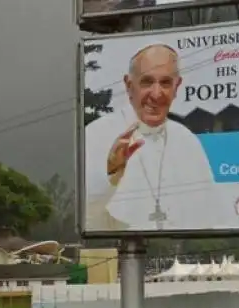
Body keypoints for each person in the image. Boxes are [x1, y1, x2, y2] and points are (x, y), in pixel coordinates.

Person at [84, 43, 216, 232]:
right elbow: (80, 216)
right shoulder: (96, 135)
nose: (156, 94)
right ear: (129, 86)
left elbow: (208, 217)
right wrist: (110, 175)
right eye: (147, 82)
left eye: (165, 83)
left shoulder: (189, 141)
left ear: (177, 86)